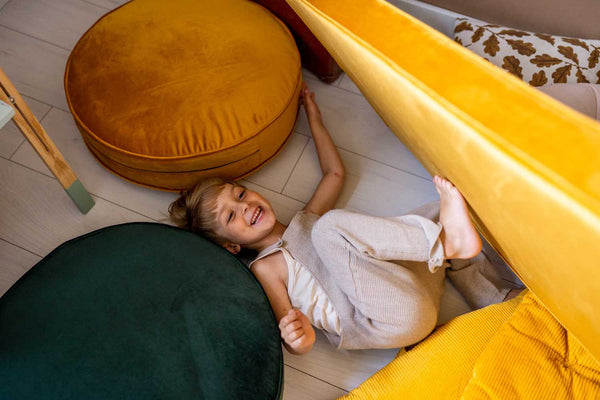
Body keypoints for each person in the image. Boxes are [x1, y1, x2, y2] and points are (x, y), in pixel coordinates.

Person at [169, 82, 514, 355]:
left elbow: (334, 173)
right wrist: (299, 339)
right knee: (329, 228)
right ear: (231, 245)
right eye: (232, 215)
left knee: (437, 212)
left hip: (409, 286)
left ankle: (500, 300)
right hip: (384, 320)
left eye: (241, 194)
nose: (245, 206)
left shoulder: (307, 221)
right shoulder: (266, 268)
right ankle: (447, 243)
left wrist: (314, 120)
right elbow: (291, 336)